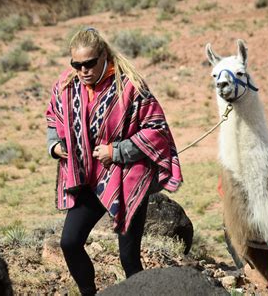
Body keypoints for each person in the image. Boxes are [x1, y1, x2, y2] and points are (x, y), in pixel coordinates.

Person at [45, 28, 183, 296]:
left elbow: (156, 130)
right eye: (77, 64)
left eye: (89, 63)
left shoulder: (130, 85)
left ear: (104, 55)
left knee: (128, 257)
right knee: (70, 242)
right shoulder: (66, 85)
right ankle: (89, 292)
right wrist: (55, 146)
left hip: (128, 179)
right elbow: (53, 115)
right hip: (88, 177)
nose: (83, 70)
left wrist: (117, 151)